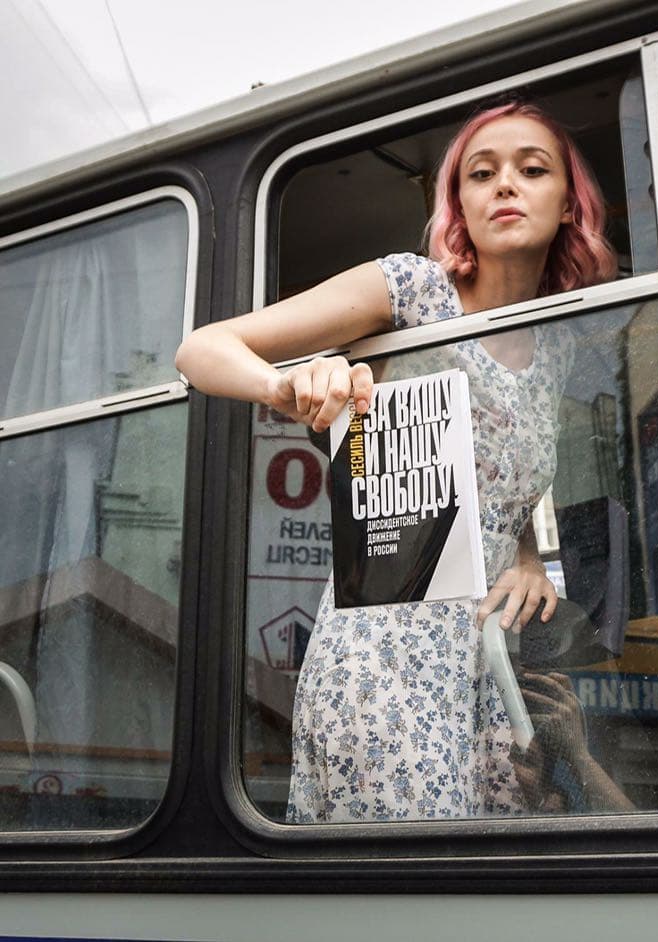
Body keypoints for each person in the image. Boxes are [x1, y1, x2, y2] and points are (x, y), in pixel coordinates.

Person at [175, 102, 617, 821]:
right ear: (460, 206)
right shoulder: (413, 290)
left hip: (485, 671)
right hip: (386, 657)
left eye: (532, 170)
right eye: (482, 173)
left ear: (568, 203)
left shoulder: (558, 343)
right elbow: (201, 350)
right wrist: (285, 387)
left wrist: (529, 557)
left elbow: (506, 476)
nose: (505, 185)